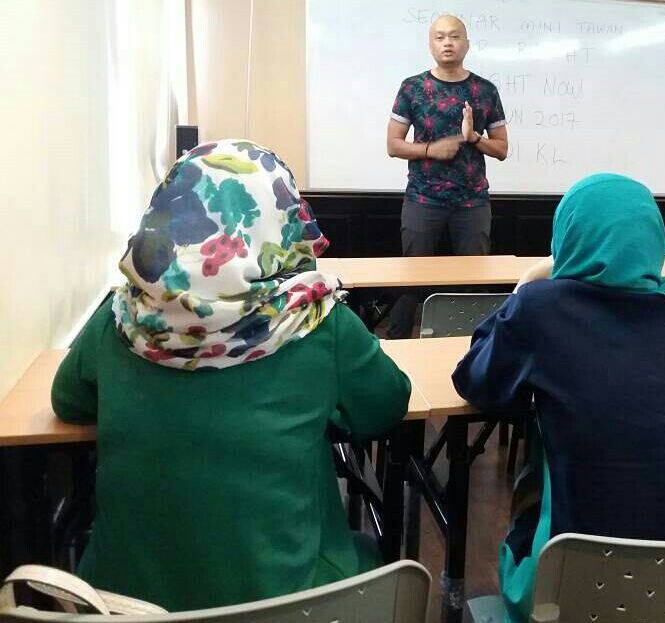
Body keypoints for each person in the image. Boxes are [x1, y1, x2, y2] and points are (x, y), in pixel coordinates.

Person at [51, 139, 411, 611]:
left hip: (125, 606)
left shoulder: (122, 319)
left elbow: (68, 401)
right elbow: (386, 406)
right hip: (283, 603)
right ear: (283, 220)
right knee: (364, 551)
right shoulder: (316, 322)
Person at [452, 173, 665, 623]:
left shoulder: (539, 307)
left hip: (573, 584)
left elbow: (475, 380)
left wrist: (525, 287)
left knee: (535, 486)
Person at [385, 14, 508, 337]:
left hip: (472, 202)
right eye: (440, 37)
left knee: (474, 280)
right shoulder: (412, 87)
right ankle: (397, 345)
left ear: (467, 44)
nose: (447, 43)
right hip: (423, 199)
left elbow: (501, 149)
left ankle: (474, 346)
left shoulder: (485, 90)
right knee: (411, 278)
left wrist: (474, 138)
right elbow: (393, 145)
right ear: (431, 44)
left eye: (454, 36)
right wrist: (430, 150)